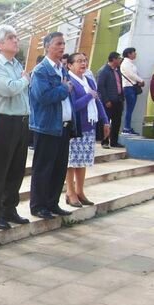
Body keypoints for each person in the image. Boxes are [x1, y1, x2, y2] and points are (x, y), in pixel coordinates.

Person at [0, 25, 31, 230]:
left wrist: (20, 81)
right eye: (11, 38)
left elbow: (17, 87)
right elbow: (8, 89)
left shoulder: (15, 63)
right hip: (4, 120)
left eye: (15, 37)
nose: (15, 40)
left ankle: (10, 207)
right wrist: (24, 80)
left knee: (16, 167)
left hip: (21, 120)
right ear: (0, 44)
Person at [29, 32, 77, 220]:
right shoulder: (41, 71)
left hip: (63, 126)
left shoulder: (62, 69)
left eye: (64, 44)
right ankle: (38, 205)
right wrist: (64, 89)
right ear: (47, 46)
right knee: (43, 168)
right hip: (47, 126)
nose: (62, 47)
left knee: (59, 167)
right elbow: (43, 97)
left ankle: (52, 203)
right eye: (58, 44)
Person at [65, 53, 109, 208]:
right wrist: (88, 97)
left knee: (82, 161)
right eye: (79, 61)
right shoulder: (69, 81)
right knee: (71, 162)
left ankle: (80, 191)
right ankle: (70, 192)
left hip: (89, 127)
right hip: (75, 127)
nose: (83, 63)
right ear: (70, 65)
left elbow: (98, 101)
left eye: (84, 61)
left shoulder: (89, 80)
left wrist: (105, 120)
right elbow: (73, 106)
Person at [96, 51, 124, 148]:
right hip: (108, 101)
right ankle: (105, 141)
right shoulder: (103, 71)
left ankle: (114, 142)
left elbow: (119, 84)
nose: (120, 60)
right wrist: (106, 100)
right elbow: (100, 86)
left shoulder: (117, 70)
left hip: (118, 100)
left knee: (117, 122)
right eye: (119, 58)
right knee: (106, 122)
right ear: (113, 59)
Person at [120, 47, 145, 135]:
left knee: (131, 109)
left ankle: (128, 127)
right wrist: (140, 80)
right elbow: (131, 74)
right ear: (129, 54)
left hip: (132, 87)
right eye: (133, 52)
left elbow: (135, 74)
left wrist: (139, 80)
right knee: (129, 109)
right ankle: (126, 128)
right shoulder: (125, 63)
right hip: (128, 88)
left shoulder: (130, 63)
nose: (135, 54)